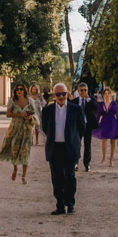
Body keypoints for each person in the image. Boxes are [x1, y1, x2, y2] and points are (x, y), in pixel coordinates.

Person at [38, 83, 88, 215]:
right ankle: (60, 204)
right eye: (58, 94)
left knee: (70, 177)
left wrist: (74, 139)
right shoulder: (48, 110)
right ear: (54, 95)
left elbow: (82, 127)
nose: (61, 96)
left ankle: (70, 203)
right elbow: (45, 127)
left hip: (70, 147)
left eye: (63, 94)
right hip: (55, 148)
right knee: (57, 178)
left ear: (67, 94)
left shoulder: (75, 109)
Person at [0, 85, 36, 184]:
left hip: (26, 129)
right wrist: (20, 115)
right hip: (15, 128)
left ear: (24, 91)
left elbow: (35, 113)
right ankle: (15, 168)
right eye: (17, 90)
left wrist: (30, 117)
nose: (19, 91)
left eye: (21, 89)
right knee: (14, 150)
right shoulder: (12, 101)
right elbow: (8, 114)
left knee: (25, 151)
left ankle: (24, 175)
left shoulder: (30, 101)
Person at [93, 86, 118, 166]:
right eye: (105, 94)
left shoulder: (114, 103)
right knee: (103, 140)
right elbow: (98, 115)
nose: (107, 95)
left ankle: (111, 160)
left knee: (112, 141)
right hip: (104, 123)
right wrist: (94, 124)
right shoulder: (100, 104)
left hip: (112, 123)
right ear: (103, 95)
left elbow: (117, 115)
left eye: (108, 94)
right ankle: (104, 157)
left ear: (111, 95)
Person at [74, 84, 96, 171]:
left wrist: (88, 99)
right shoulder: (75, 101)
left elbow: (95, 107)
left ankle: (87, 164)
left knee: (88, 146)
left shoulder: (90, 100)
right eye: (81, 90)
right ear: (78, 91)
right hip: (78, 126)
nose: (83, 92)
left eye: (85, 90)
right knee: (76, 145)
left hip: (88, 126)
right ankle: (75, 163)